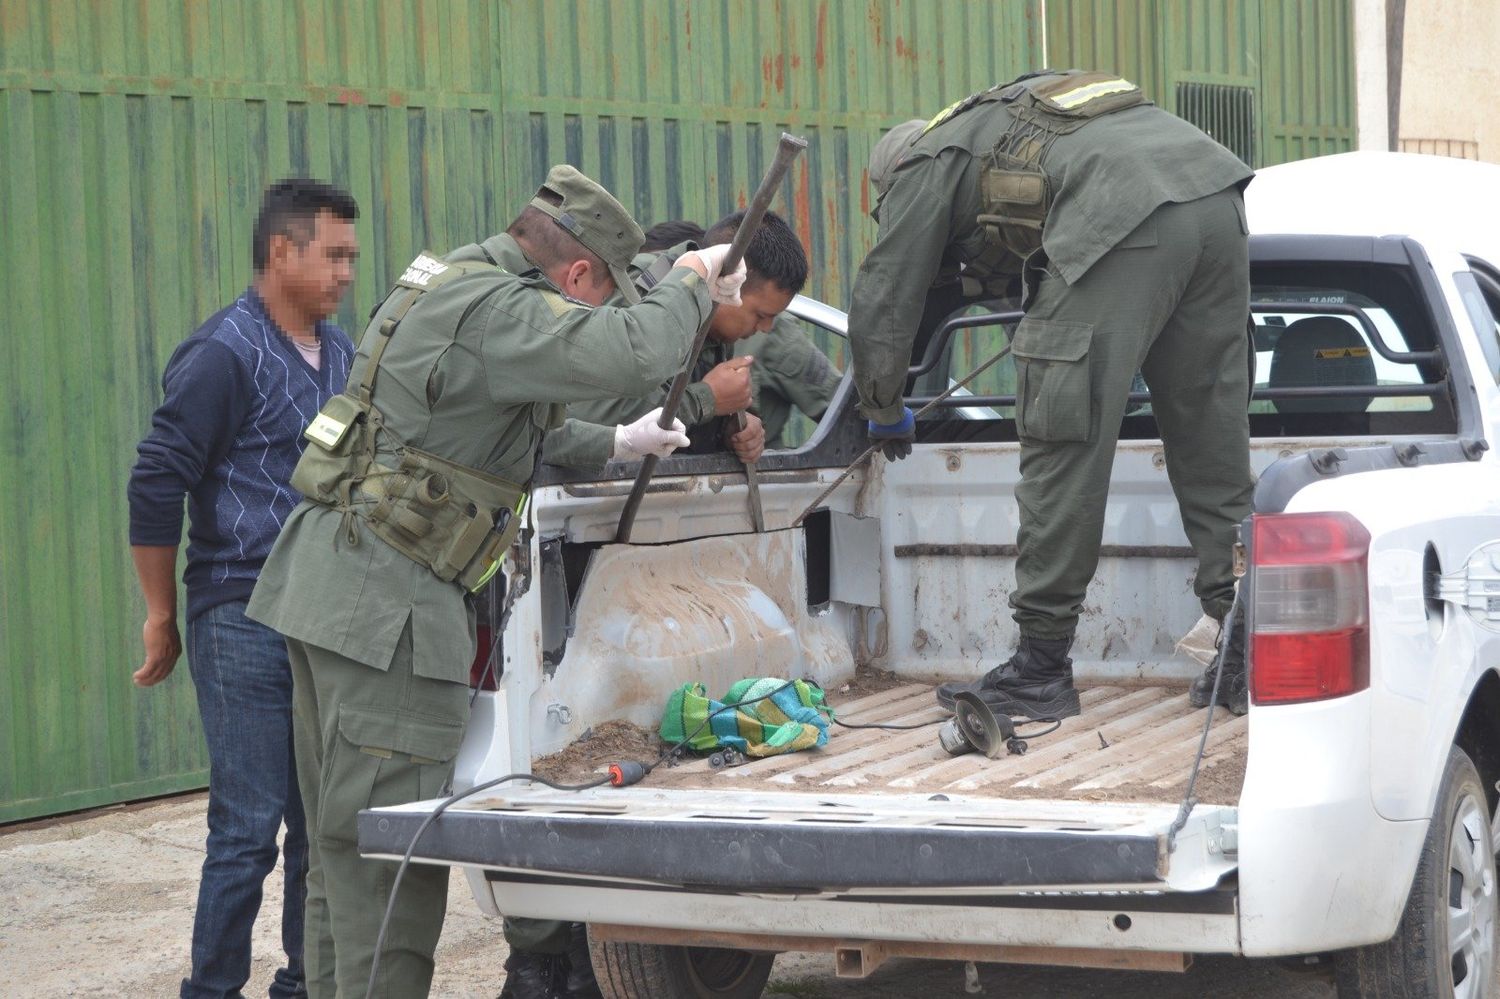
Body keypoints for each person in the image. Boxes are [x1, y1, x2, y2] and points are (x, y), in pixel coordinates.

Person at [245, 164, 745, 999]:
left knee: (342, 854)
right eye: (600, 295)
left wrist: (619, 440)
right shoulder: (500, 308)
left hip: (332, 588)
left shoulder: (450, 285)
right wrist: (695, 277)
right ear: (577, 273)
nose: (595, 312)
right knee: (392, 873)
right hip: (390, 614)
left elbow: (504, 423)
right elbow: (634, 349)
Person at [848, 70, 1255, 720]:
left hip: (1125, 209)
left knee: (1062, 435)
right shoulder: (1004, 124)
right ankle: (1244, 636)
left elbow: (886, 290)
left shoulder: (924, 160)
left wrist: (882, 404)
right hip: (1216, 193)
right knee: (1212, 429)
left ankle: (1039, 666)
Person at [127, 178, 361, 999]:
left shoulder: (342, 354)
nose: (345, 274)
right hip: (243, 612)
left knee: (317, 831)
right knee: (246, 828)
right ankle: (213, 987)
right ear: (280, 252)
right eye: (332, 255)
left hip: (320, 617)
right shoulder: (224, 352)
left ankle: (302, 984)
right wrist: (163, 614)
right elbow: (155, 482)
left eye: (351, 258)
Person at [542, 210, 810, 471]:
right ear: (729, 279)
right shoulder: (635, 299)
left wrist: (733, 428)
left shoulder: (713, 317)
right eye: (761, 315)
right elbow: (590, 424)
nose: (765, 328)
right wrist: (706, 399)